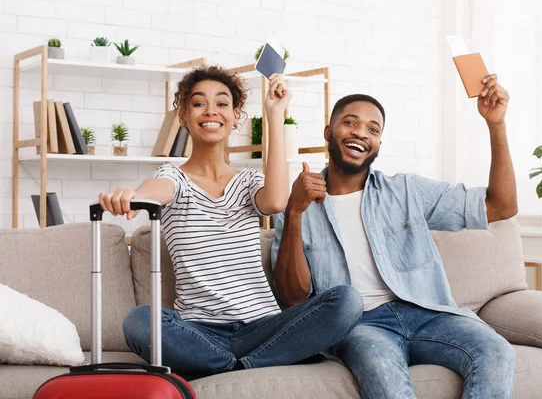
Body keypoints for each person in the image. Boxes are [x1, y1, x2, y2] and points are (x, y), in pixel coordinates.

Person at [98, 65, 363, 378]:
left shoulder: (249, 181)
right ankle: (246, 365)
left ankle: (232, 367)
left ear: (236, 116)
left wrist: (275, 113)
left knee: (347, 301)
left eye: (222, 103)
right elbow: (152, 194)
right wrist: (131, 197)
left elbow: (277, 201)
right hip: (200, 333)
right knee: (139, 320)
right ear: (183, 117)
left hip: (263, 327)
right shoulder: (173, 177)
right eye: (198, 103)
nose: (211, 110)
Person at [272, 74, 517, 398]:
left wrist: (496, 125)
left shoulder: (405, 191)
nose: (361, 132)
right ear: (328, 133)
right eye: (351, 123)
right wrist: (295, 212)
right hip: (360, 326)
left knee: (497, 351)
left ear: (378, 145)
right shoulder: (296, 204)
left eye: (373, 129)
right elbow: (292, 298)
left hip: (428, 313)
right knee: (384, 374)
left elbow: (500, 206)